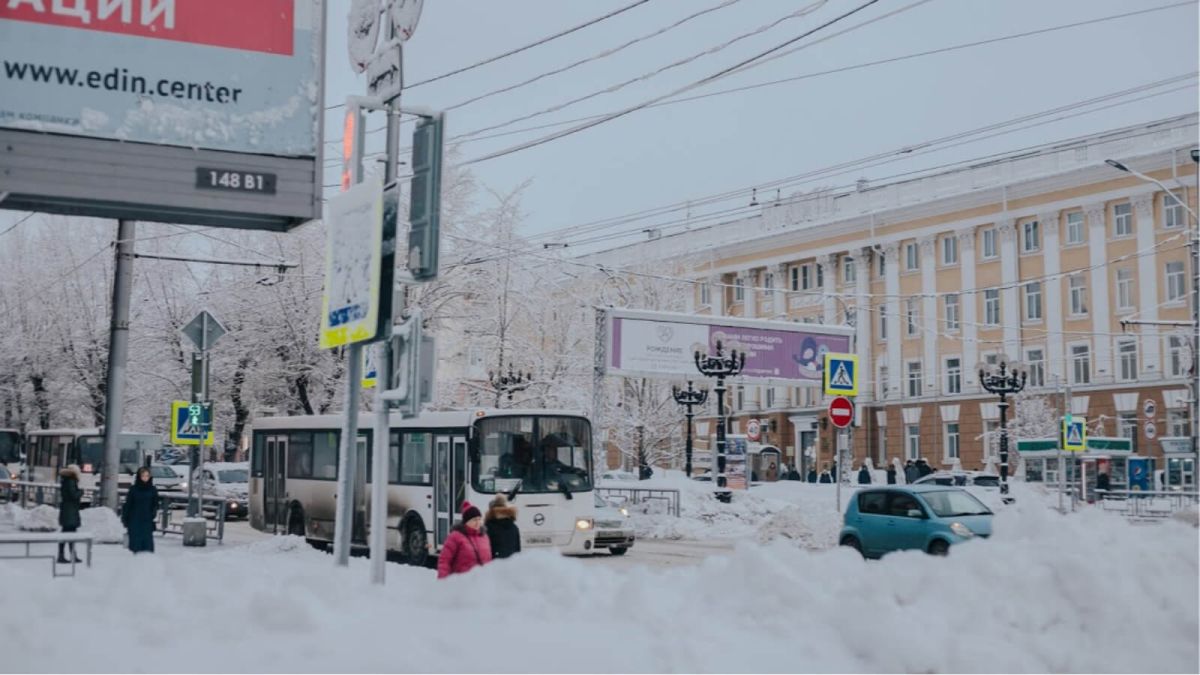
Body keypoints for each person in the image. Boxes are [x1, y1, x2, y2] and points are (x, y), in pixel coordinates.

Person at [437, 502, 493, 579]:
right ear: (466, 522)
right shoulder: (455, 537)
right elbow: (444, 560)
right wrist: (443, 581)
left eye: (479, 519)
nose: (478, 523)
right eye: (474, 520)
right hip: (461, 583)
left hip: (480, 583)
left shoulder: (484, 536)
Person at [122, 466, 159, 554]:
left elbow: (155, 503)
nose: (145, 478)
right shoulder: (134, 489)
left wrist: (153, 513)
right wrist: (125, 518)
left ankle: (147, 561)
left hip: (147, 519)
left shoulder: (152, 489)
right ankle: (136, 561)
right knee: (135, 541)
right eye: (143, 476)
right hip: (134, 518)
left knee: (147, 541)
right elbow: (128, 504)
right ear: (139, 476)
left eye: (147, 476)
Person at [57, 464, 83, 564]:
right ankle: (68, 555)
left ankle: (63, 555)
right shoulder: (71, 481)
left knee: (66, 534)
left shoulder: (66, 481)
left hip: (67, 511)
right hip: (70, 511)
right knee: (70, 534)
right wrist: (80, 492)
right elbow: (73, 495)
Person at [485, 494, 521, 559]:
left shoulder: (488, 527)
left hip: (495, 564)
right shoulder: (514, 527)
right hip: (511, 564)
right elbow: (517, 550)